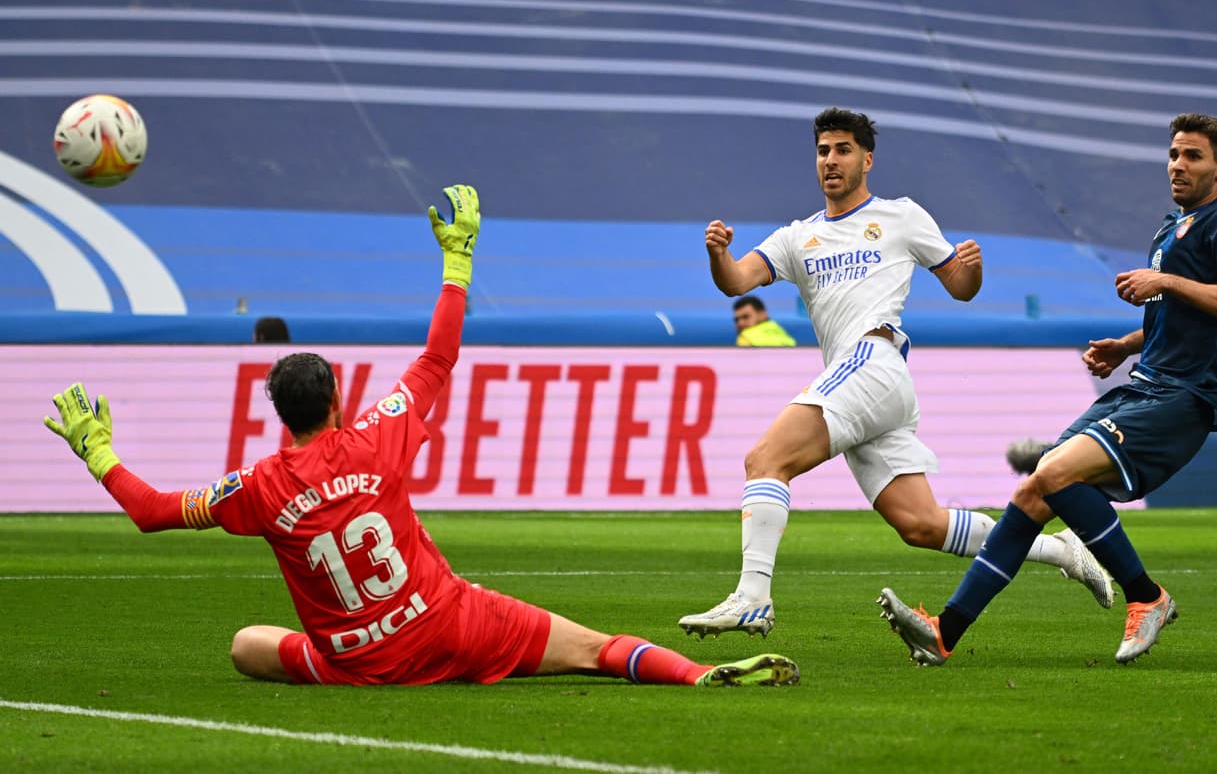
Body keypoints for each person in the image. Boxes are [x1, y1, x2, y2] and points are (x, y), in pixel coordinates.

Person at [44, 184, 798, 689]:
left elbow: (150, 509)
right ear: (337, 398)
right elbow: (438, 355)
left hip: (355, 658)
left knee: (247, 643)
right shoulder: (377, 434)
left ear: (280, 412)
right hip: (451, 627)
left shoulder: (257, 488)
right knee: (598, 649)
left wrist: (99, 452)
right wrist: (457, 260)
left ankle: (335, 655)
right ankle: (697, 676)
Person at [678, 107, 1113, 639]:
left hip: (874, 360)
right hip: (865, 383)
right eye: (822, 151)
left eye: (842, 150)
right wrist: (718, 255)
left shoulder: (902, 216)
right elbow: (736, 280)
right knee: (921, 525)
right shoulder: (797, 237)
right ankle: (1061, 549)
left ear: (867, 159)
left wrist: (972, 269)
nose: (830, 161)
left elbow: (960, 286)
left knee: (765, 460)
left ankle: (751, 599)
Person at [879, 113, 1217, 665]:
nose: (1178, 166)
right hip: (1145, 384)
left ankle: (1146, 595)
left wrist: (1164, 281)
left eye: (1194, 157)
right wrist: (1126, 345)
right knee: (1032, 491)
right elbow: (1180, 318)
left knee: (1056, 474)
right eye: (1175, 154)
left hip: (1185, 397)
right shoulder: (1170, 227)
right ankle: (946, 632)